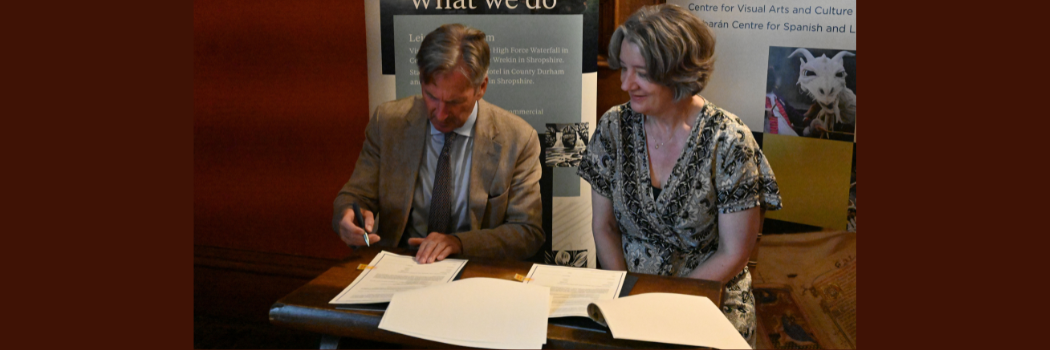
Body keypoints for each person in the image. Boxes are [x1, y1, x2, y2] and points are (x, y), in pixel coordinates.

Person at [577, 5, 782, 348]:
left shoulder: (729, 140)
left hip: (708, 299)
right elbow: (604, 227)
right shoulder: (614, 126)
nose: (626, 83)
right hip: (629, 297)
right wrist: (627, 294)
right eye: (624, 68)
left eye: (640, 72)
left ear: (679, 72)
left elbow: (734, 254)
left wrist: (664, 301)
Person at [333, 23, 545, 264]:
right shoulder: (389, 123)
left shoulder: (517, 138)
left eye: (455, 102)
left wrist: (458, 243)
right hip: (401, 265)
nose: (441, 114)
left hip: (475, 270)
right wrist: (348, 215)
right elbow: (355, 195)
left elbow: (528, 231)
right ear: (421, 81)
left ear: (481, 87)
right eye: (432, 97)